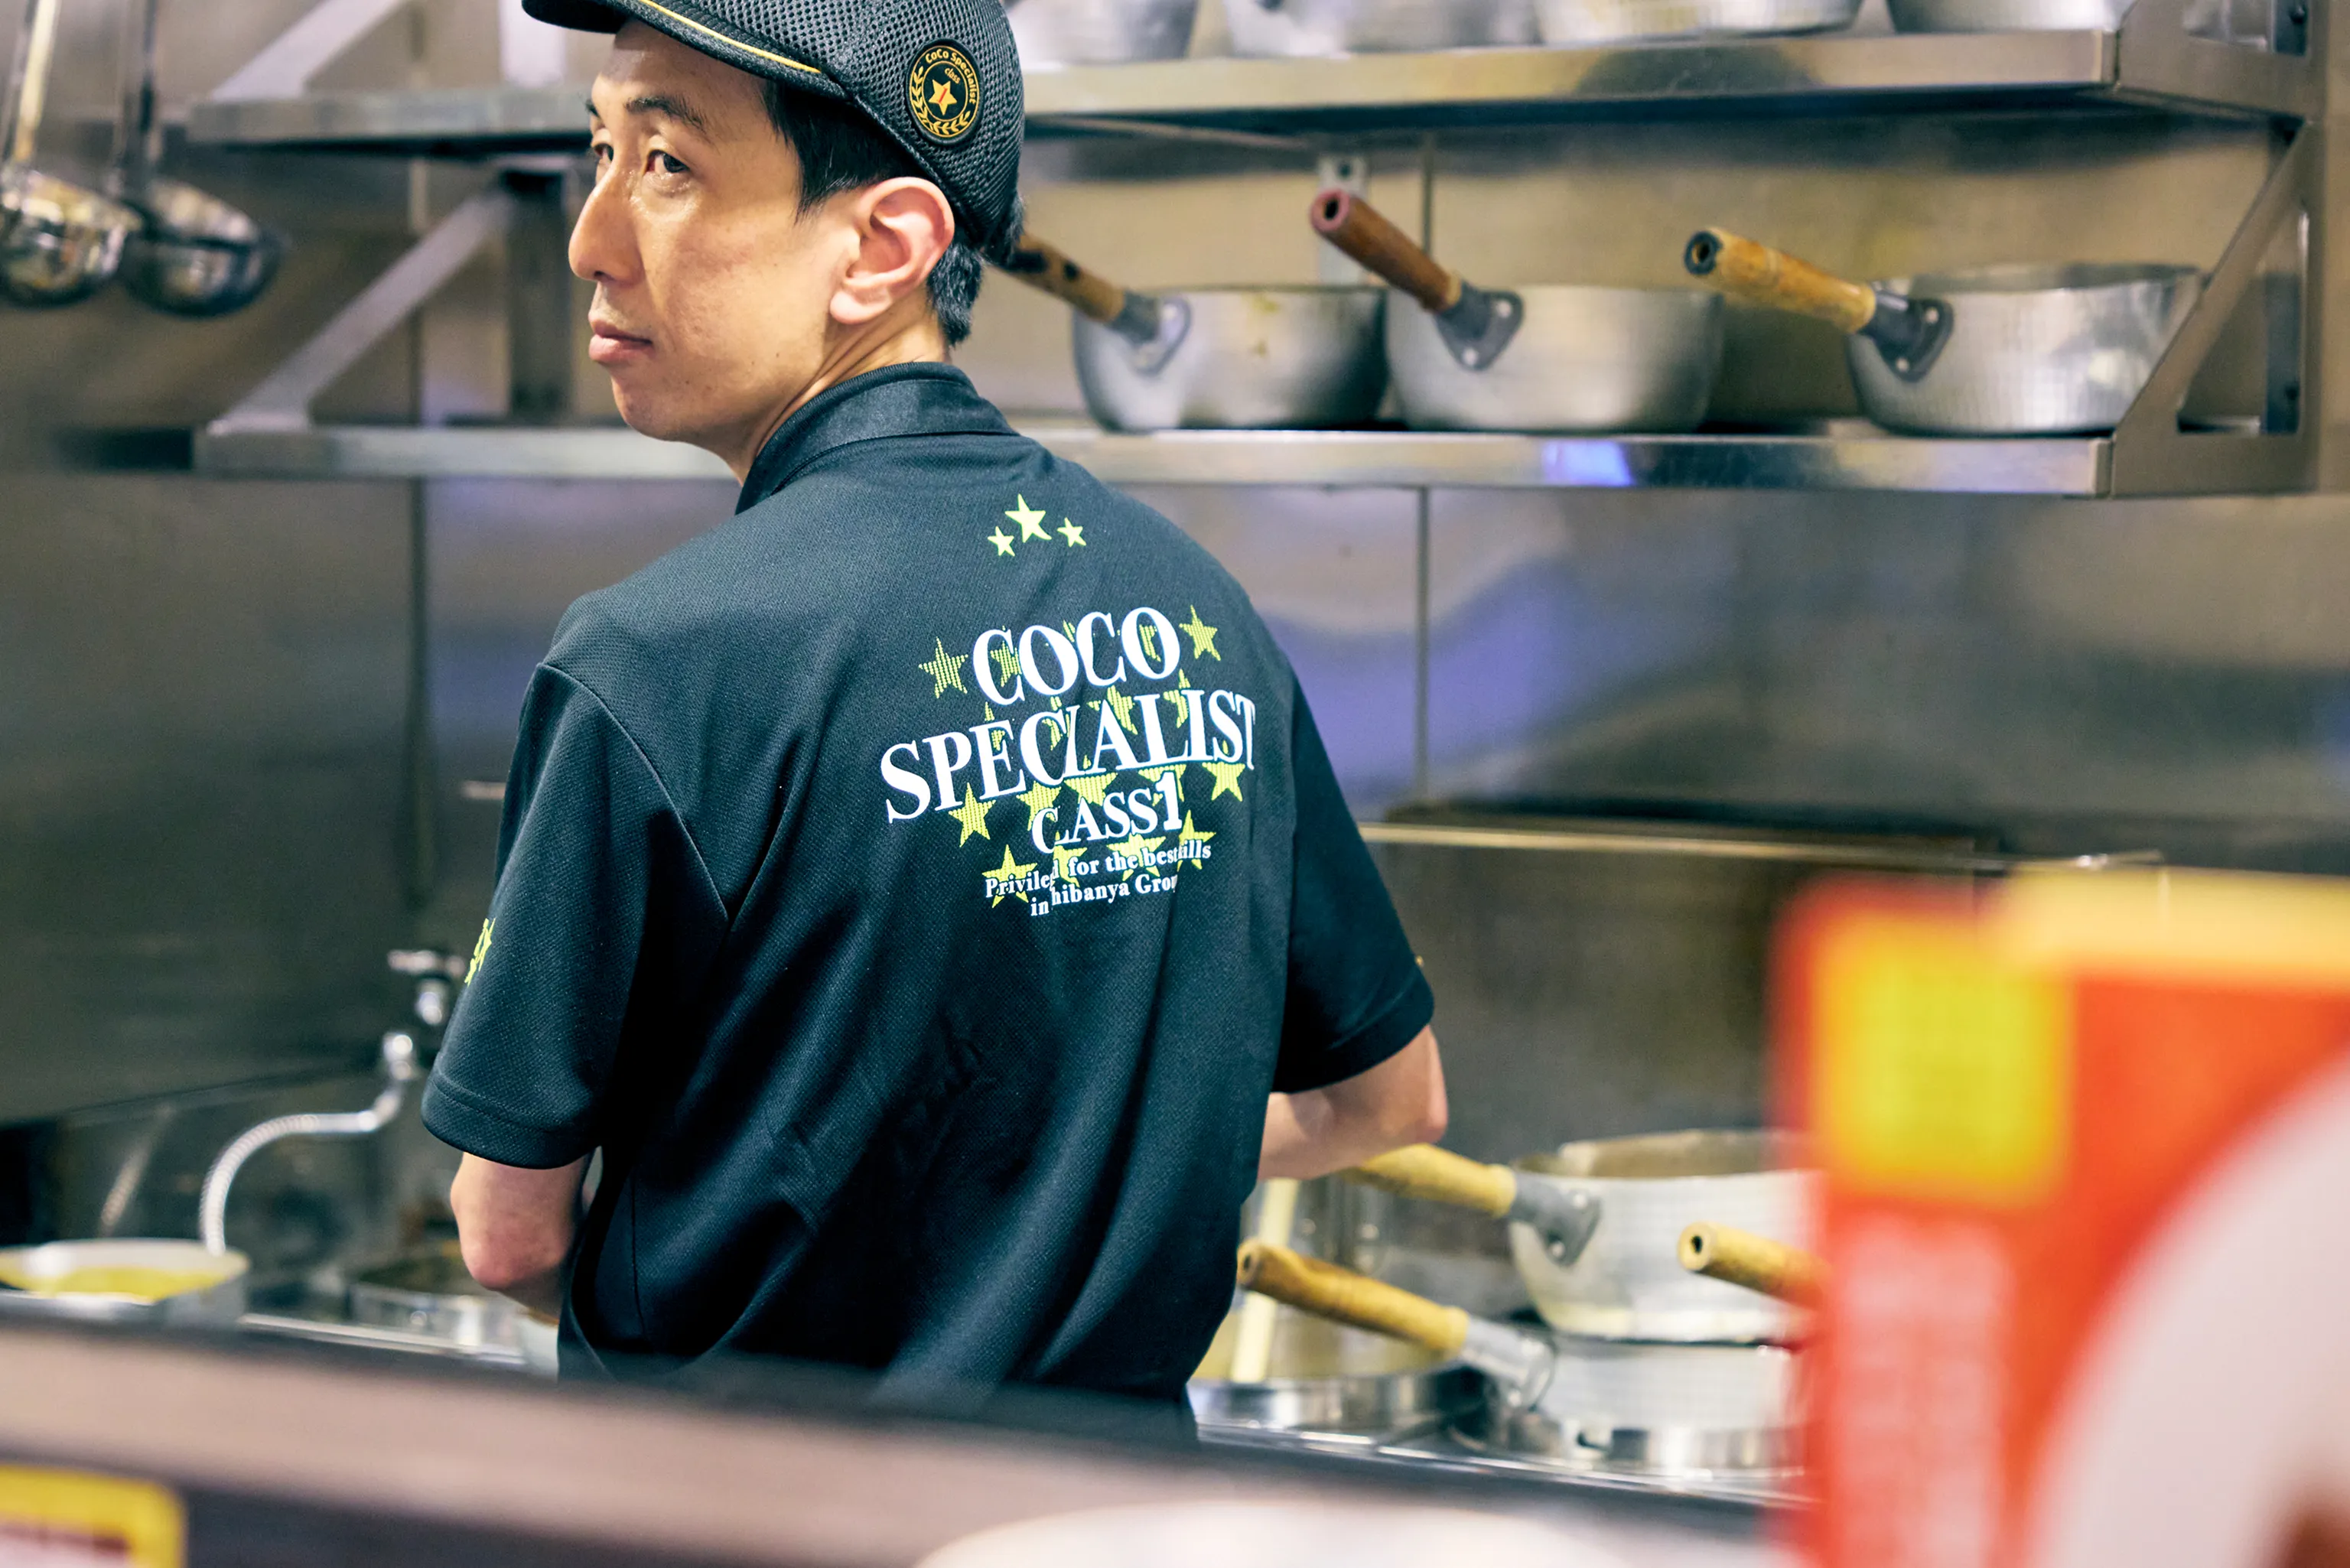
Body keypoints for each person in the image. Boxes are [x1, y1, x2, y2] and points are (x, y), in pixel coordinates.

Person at [421, 0, 1447, 1417]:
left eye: (667, 166)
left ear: (883, 248)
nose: (590, 238)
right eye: (597, 152)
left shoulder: (652, 664)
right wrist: (1078, 1173)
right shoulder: (1199, 610)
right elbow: (1389, 1101)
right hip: (1107, 1511)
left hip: (740, 1503)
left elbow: (507, 1235)